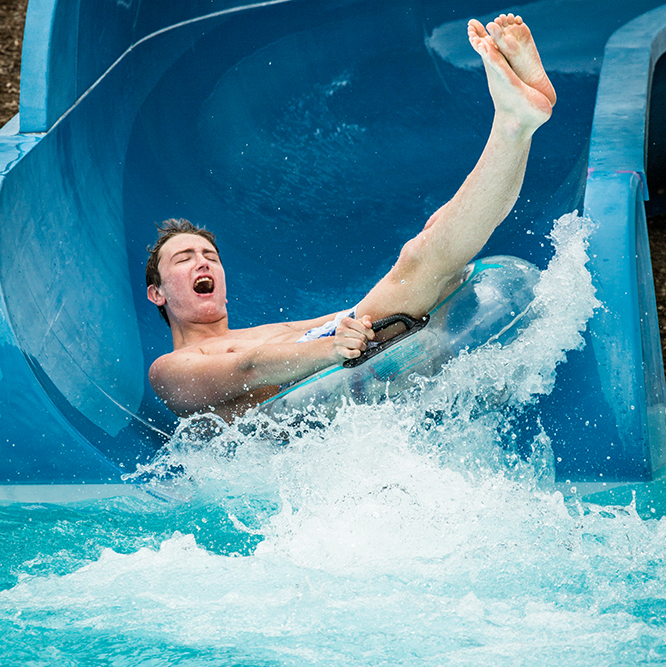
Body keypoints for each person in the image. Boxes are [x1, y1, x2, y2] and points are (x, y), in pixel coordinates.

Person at [146, 14, 556, 422]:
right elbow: (249, 368)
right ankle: (515, 123)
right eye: (183, 259)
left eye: (210, 256)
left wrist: (370, 316)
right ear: (157, 294)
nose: (202, 261)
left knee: (434, 236)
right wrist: (333, 345)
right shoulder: (170, 367)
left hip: (343, 356)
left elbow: (338, 320)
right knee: (418, 259)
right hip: (310, 398)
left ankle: (521, 122)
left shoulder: (263, 333)